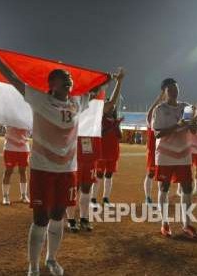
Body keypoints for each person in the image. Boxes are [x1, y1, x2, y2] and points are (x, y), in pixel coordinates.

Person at [0, 44, 112, 276]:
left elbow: (93, 91)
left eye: (70, 78)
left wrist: (107, 80)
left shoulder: (76, 103)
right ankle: (33, 265)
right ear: (51, 84)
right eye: (63, 78)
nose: (69, 80)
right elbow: (13, 78)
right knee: (40, 218)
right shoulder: (38, 99)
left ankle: (51, 259)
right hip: (43, 169)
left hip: (67, 170)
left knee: (58, 216)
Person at [67, 68, 124, 233]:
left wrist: (118, 81)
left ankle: (84, 218)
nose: (95, 91)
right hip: (75, 149)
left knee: (86, 187)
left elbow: (112, 102)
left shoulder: (97, 108)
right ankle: (71, 219)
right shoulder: (73, 103)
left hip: (90, 150)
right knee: (74, 187)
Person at [152, 78, 197, 239]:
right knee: (164, 188)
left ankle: (187, 224)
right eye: (171, 88)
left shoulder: (186, 107)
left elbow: (193, 131)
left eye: (176, 88)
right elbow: (158, 133)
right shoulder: (160, 109)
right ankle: (164, 223)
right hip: (165, 154)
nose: (174, 91)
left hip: (184, 154)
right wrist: (178, 125)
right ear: (164, 91)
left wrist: (193, 120)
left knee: (187, 188)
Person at [92, 83, 125, 208]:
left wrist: (117, 126)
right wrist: (113, 125)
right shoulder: (100, 119)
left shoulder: (115, 121)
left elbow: (120, 136)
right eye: (110, 107)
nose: (112, 109)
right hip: (102, 151)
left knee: (109, 175)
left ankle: (106, 198)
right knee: (99, 175)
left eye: (113, 108)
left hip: (113, 151)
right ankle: (93, 199)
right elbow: (101, 133)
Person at [143, 90, 165, 204]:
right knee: (151, 174)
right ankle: (147, 197)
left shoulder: (164, 123)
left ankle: (161, 198)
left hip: (163, 152)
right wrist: (159, 98)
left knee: (162, 176)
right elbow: (150, 112)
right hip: (153, 152)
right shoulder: (150, 122)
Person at [1, 126, 31, 205]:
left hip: (24, 148)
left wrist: (23, 139)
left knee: (23, 171)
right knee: (8, 171)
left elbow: (30, 130)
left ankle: (24, 195)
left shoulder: (28, 116)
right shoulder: (10, 115)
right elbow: (6, 125)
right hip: (10, 147)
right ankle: (5, 196)